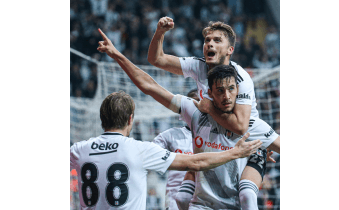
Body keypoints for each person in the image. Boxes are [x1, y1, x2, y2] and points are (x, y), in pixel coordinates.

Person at [96, 28, 279, 209]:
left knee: (247, 195)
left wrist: (262, 149)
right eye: (220, 91)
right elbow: (149, 86)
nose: (227, 96)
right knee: (182, 197)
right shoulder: (195, 110)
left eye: (231, 89)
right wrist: (116, 54)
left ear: (239, 91)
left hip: (236, 202)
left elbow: (266, 139)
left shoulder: (249, 123)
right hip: (203, 204)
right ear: (208, 93)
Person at [148, 17, 280, 209]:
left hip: (250, 135)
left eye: (217, 40)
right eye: (207, 40)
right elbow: (156, 59)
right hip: (219, 137)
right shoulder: (198, 65)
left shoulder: (241, 78)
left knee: (246, 195)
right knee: (183, 198)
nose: (209, 43)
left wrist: (209, 107)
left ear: (230, 50)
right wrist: (160, 32)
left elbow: (240, 125)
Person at [70, 90, 262, 209]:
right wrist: (235, 153)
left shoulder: (79, 149)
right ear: (130, 120)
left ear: (102, 118)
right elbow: (196, 162)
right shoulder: (139, 150)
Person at [152, 89, 199, 210]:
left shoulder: (214, 137)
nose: (197, 107)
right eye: (194, 103)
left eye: (200, 102)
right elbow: (150, 153)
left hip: (202, 201)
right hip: (174, 201)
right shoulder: (171, 135)